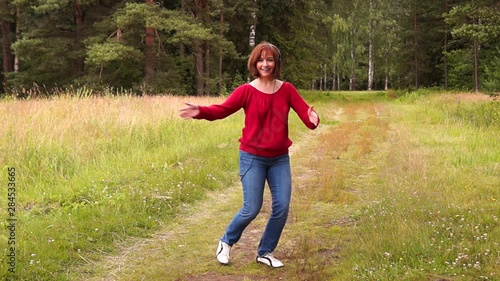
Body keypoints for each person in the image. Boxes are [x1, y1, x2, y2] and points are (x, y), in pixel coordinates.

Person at [179, 41, 319, 268]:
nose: (265, 64)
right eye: (261, 60)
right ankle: (226, 241)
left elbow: (305, 113)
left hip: (279, 158)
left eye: (270, 60)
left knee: (281, 206)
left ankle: (265, 251)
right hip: (252, 157)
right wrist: (200, 111)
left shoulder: (287, 90)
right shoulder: (246, 91)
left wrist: (313, 120)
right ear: (255, 63)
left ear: (276, 63)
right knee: (252, 207)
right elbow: (222, 110)